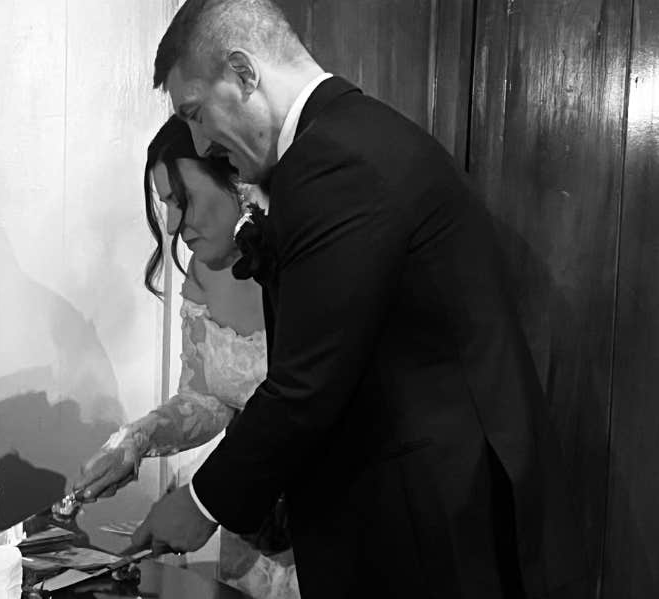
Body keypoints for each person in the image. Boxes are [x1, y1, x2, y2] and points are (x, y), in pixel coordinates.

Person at [126, 1, 586, 598]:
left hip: (435, 521)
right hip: (420, 509)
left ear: (244, 74)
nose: (200, 141)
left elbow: (308, 382)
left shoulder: (335, 161)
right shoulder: (346, 139)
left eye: (196, 113)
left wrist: (202, 502)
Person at [74, 116, 299, 599]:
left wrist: (204, 501)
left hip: (325, 524)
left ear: (235, 179)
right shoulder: (201, 270)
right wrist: (138, 439)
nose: (174, 225)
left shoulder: (302, 267)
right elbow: (206, 398)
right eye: (166, 206)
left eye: (183, 200)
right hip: (249, 532)